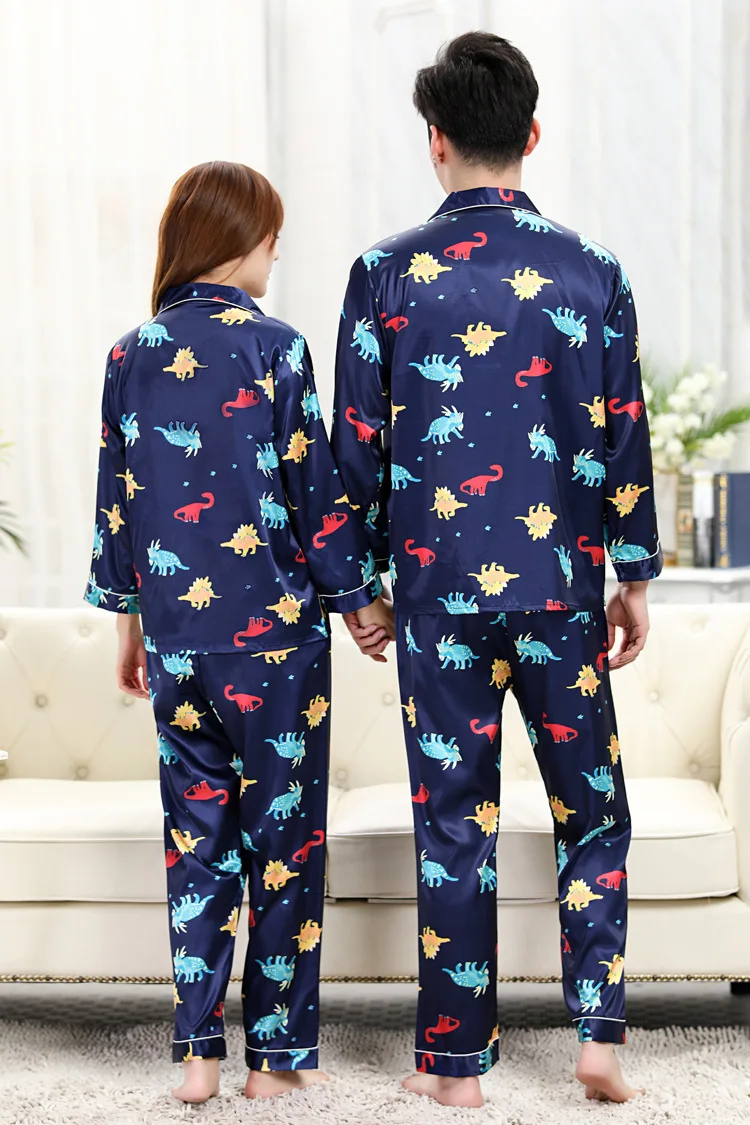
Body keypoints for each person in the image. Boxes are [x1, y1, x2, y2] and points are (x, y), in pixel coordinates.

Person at [334, 32, 661, 1109]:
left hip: (438, 601)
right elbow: (623, 433)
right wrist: (634, 576)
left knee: (453, 822)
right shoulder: (594, 271)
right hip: (561, 593)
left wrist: (358, 589)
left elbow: (355, 449)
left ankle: (453, 1067)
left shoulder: (383, 275)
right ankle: (598, 1036)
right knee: (592, 813)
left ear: (434, 141)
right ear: (532, 133)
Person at [86, 161, 392, 1104]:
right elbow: (315, 494)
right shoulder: (276, 347)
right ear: (237, 240)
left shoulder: (129, 355)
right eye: (270, 237)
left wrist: (131, 627)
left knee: (197, 844)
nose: (276, 253)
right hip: (275, 647)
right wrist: (361, 600)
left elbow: (119, 509)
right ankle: (276, 1061)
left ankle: (197, 1056)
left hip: (178, 642)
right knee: (284, 850)